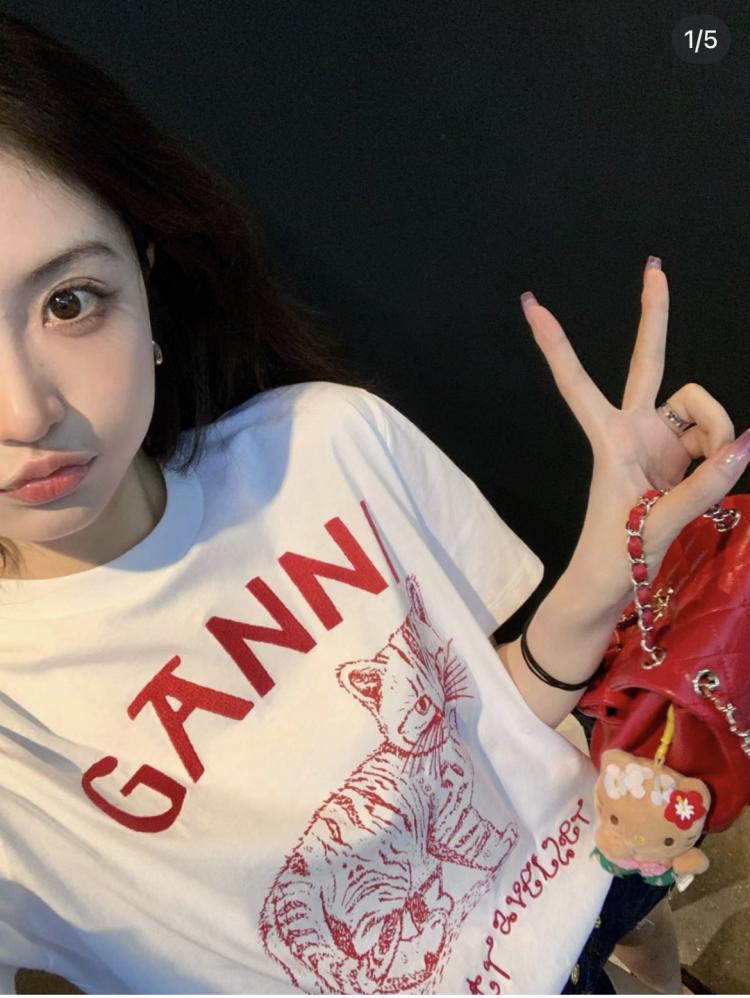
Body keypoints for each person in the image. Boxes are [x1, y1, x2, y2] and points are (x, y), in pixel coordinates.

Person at [1, 10, 747, 995]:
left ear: (142, 281)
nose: (26, 411)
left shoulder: (325, 442)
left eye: (68, 302)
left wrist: (601, 580)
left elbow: (479, 730)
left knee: (643, 938)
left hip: (576, 861)